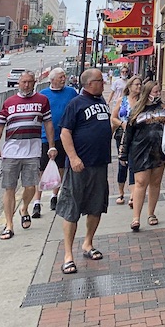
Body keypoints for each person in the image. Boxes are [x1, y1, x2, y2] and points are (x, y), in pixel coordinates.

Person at [56, 67, 112, 275]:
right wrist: (73, 157)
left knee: (96, 206)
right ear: (89, 83)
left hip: (99, 163)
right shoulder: (76, 104)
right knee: (72, 208)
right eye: (100, 80)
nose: (103, 83)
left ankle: (88, 243)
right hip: (80, 165)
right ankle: (68, 255)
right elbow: (65, 133)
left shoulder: (101, 102)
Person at [0, 71, 56, 239]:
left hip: (32, 151)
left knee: (30, 186)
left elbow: (48, 124)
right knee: (9, 188)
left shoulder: (42, 101)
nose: (26, 85)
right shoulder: (9, 102)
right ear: (18, 83)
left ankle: (24, 207)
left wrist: (51, 146)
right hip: (11, 151)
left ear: (34, 82)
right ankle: (9, 224)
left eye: (29, 82)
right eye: (23, 82)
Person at [119, 80, 165, 231]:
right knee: (140, 182)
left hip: (159, 151)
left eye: (159, 91)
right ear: (148, 93)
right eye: (155, 92)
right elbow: (128, 133)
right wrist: (123, 154)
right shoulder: (137, 109)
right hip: (140, 150)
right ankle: (136, 218)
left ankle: (151, 213)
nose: (157, 95)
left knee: (155, 182)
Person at [31, 67, 78, 217]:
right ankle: (37, 202)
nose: (64, 79)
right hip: (45, 137)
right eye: (61, 77)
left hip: (64, 136)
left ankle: (54, 195)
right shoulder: (43, 95)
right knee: (41, 170)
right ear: (52, 80)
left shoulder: (71, 92)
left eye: (64, 76)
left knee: (60, 167)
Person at [110, 74, 142, 205]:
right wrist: (122, 124)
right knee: (123, 162)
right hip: (122, 135)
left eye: (140, 84)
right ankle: (121, 193)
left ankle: (133, 196)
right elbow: (113, 118)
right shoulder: (121, 100)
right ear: (129, 86)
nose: (139, 87)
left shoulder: (142, 101)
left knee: (133, 163)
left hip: (137, 135)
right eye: (137, 85)